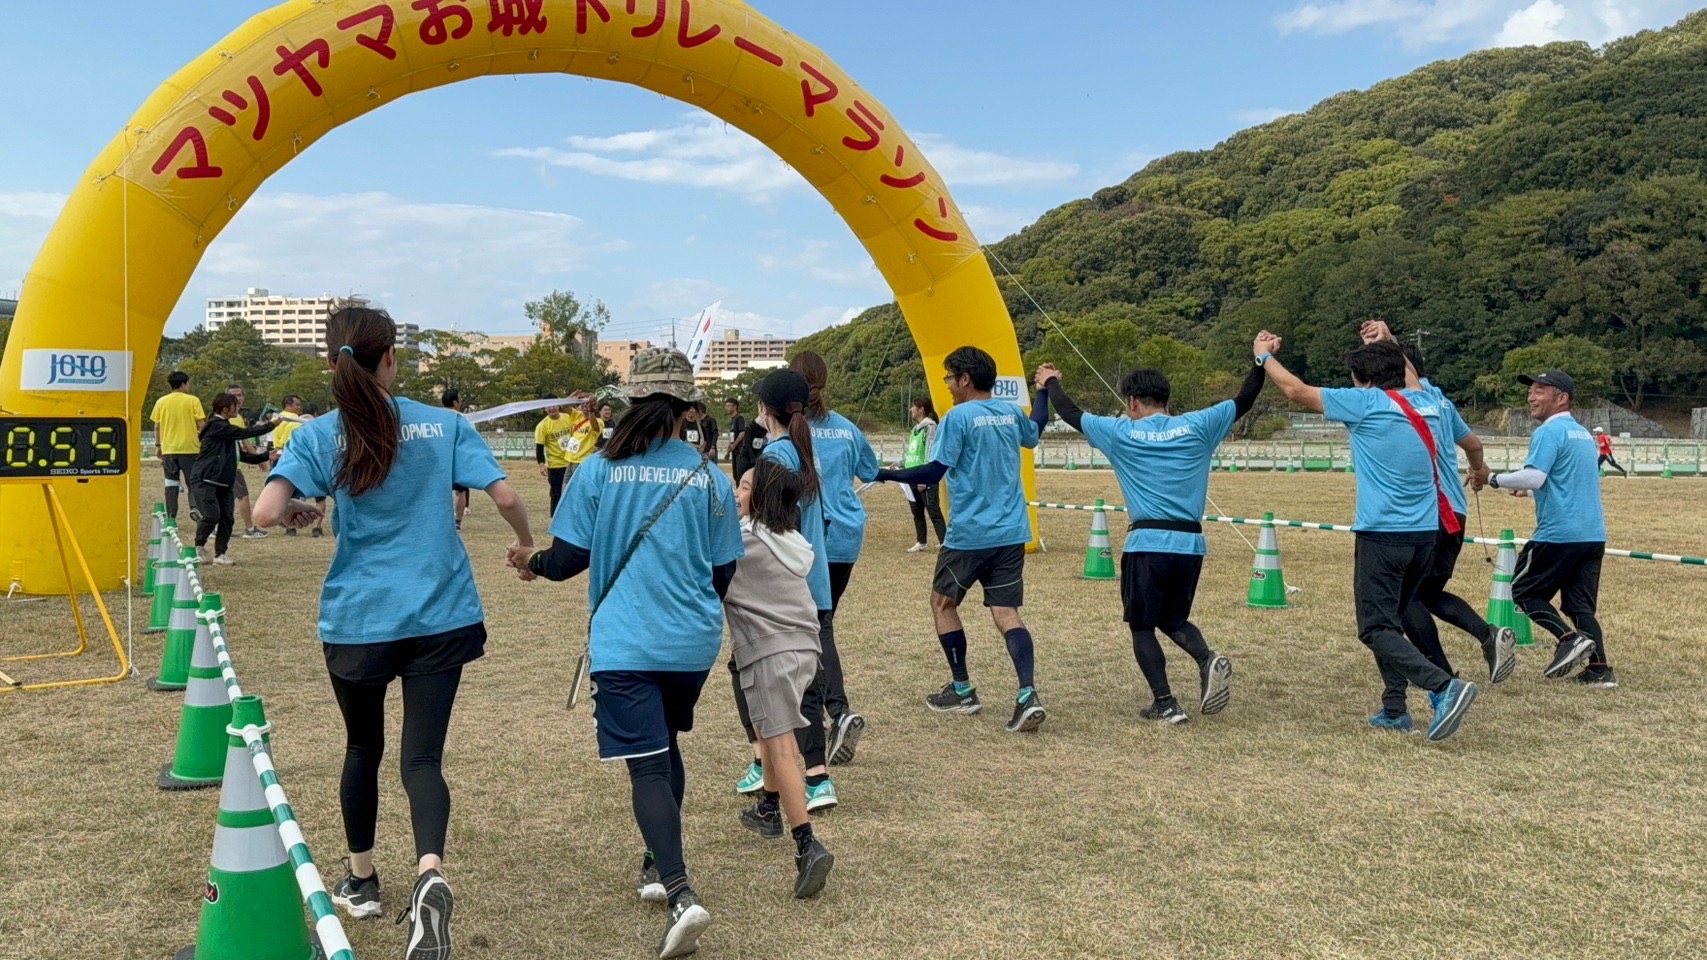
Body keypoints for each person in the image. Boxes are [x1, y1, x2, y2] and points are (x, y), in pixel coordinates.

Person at [256, 306, 534, 960]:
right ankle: (430, 873)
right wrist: (526, 547)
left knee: (362, 749)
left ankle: (362, 881)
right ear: (392, 360)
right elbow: (506, 495)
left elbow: (266, 511)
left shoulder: (320, 433)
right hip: (442, 612)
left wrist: (298, 509)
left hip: (360, 619)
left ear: (331, 364)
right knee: (422, 759)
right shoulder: (444, 423)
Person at [508, 347, 740, 960]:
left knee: (647, 764)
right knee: (665, 746)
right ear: (688, 411)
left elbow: (566, 561)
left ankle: (682, 892)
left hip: (626, 639)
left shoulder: (596, 471)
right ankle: (654, 861)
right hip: (692, 640)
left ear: (632, 401)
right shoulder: (708, 477)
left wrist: (528, 561)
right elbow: (724, 571)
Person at [1257, 331, 1478, 741]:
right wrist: (1390, 340)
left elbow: (1294, 390)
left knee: (1375, 628)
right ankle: (1394, 708)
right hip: (1425, 535)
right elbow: (1410, 375)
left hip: (1383, 535)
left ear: (1365, 381)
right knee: (1392, 620)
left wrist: (1262, 357)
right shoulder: (1429, 402)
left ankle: (1445, 687)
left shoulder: (1367, 403)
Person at [1032, 355, 1266, 725]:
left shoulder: (1121, 431)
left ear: (1132, 403)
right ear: (1167, 400)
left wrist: (1051, 381)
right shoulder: (1199, 425)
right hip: (1190, 545)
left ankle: (1165, 702)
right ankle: (1206, 659)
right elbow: (1245, 398)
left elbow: (1072, 413)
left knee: (1141, 625)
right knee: (1173, 617)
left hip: (1147, 542)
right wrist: (1259, 359)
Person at [874, 346, 1046, 734]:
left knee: (942, 602)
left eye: (950, 378)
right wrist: (1044, 391)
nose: (948, 386)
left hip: (970, 534)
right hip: (1011, 532)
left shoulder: (957, 417)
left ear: (965, 379)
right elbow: (1035, 431)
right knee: (1006, 613)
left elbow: (934, 471)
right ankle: (1026, 694)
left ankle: (963, 689)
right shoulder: (1009, 412)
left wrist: (885, 474)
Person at [1360, 321, 1517, 686]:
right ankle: (1486, 636)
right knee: (1427, 593)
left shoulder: (1410, 399)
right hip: (1454, 511)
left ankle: (1443, 676)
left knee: (1407, 599)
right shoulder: (1441, 401)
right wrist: (1479, 473)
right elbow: (1474, 445)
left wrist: (1389, 343)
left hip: (1428, 512)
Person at [730, 370, 841, 809]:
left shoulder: (775, 455)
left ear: (763, 408)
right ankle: (810, 776)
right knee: (802, 681)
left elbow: (772, 525)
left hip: (780, 583)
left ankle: (776, 768)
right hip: (811, 575)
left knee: (755, 675)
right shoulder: (803, 448)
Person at [725, 460, 835, 899]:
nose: (736, 492)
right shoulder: (791, 540)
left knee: (781, 743)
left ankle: (807, 844)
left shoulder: (746, 543)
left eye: (745, 486)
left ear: (763, 497)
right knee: (773, 732)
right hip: (806, 649)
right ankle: (768, 807)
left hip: (770, 652)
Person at [1472, 370, 1616, 688]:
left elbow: (1535, 476)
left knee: (1524, 591)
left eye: (1540, 391)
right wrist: (1532, 490)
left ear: (1561, 397)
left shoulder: (1549, 433)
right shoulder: (1581, 435)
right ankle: (1600, 670)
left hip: (1559, 533)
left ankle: (1568, 639)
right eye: (1531, 391)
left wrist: (1492, 479)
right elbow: (1562, 479)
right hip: (1592, 534)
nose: (1531, 397)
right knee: (1580, 606)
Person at [788, 351, 877, 771]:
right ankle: (827, 709)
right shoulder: (845, 428)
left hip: (809, 538)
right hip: (846, 537)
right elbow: (871, 470)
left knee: (814, 626)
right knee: (821, 622)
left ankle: (837, 711)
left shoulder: (791, 428)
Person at [189, 394, 277, 565]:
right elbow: (246, 432)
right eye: (235, 406)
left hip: (224, 480)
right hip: (206, 478)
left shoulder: (225, 428)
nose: (238, 409)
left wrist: (266, 455)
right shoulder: (216, 425)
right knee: (211, 516)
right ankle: (198, 546)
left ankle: (220, 554)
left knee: (227, 518)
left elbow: (240, 455)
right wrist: (271, 425)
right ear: (225, 409)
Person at [268, 395, 326, 538]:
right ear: (289, 404)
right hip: (301, 458)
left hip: (279, 456)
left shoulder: (275, 419)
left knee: (288, 494)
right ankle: (317, 527)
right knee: (318, 497)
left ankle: (290, 526)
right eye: (297, 405)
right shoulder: (296, 421)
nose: (299, 408)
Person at [150, 370, 204, 522]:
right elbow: (201, 424)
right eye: (188, 383)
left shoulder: (161, 402)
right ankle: (195, 508)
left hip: (169, 449)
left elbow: (157, 426)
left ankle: (171, 516)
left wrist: (158, 445)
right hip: (189, 448)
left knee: (171, 483)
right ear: (183, 384)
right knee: (193, 482)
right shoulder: (193, 401)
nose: (189, 386)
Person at [534, 395, 597, 516]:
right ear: (544, 409)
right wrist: (541, 464)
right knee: (557, 493)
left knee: (576, 491)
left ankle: (573, 516)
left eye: (554, 405)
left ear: (558, 405)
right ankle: (556, 517)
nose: (552, 408)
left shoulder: (568, 418)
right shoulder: (542, 426)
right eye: (548, 406)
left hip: (572, 461)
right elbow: (539, 447)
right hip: (556, 465)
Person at [902, 397, 946, 552]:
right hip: (912, 474)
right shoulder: (915, 429)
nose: (911, 410)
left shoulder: (930, 427)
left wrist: (925, 478)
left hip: (924, 475)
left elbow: (929, 450)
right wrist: (901, 464)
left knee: (932, 509)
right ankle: (921, 541)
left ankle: (944, 541)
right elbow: (912, 452)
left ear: (921, 409)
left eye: (913, 407)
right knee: (917, 510)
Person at [227, 384, 267, 540]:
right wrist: (259, 459)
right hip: (231, 465)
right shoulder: (234, 418)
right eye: (233, 395)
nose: (238, 398)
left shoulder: (232, 416)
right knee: (242, 496)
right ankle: (249, 529)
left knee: (225, 496)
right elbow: (246, 442)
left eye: (240, 394)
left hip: (226, 464)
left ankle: (217, 528)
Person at [442, 389, 470, 529]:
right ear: (455, 402)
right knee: (460, 492)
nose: (461, 401)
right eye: (460, 399)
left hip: (441, 461)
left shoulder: (437, 418)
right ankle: (457, 522)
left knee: (442, 491)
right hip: (457, 461)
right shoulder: (462, 419)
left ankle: (445, 520)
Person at [731, 404, 767, 483]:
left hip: (757, 458)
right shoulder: (750, 428)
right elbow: (747, 446)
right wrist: (752, 458)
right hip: (747, 460)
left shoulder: (765, 430)